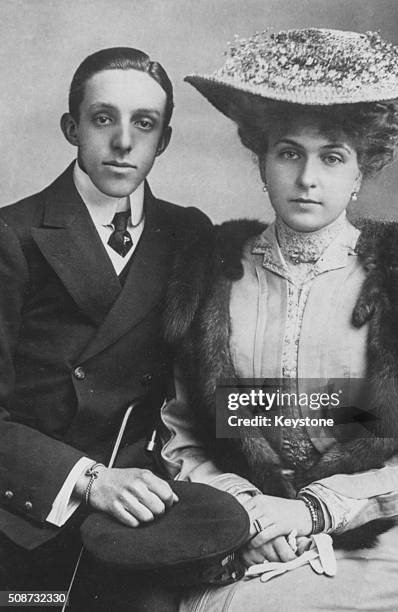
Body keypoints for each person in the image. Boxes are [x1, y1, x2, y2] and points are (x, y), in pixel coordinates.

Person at [159, 28, 398, 611]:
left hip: (381, 531)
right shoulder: (212, 274)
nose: (307, 178)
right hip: (247, 527)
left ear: (361, 172)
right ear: (261, 159)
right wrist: (246, 514)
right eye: (288, 152)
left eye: (332, 157)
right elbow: (182, 432)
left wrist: (311, 510)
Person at [0, 46, 248, 608]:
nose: (123, 142)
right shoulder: (12, 235)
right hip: (31, 507)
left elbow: (210, 388)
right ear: (72, 127)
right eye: (103, 118)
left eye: (145, 124)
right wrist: (89, 479)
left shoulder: (187, 233)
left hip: (144, 516)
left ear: (163, 140)